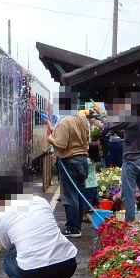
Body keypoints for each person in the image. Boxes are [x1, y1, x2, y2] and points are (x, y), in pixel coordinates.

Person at [0, 189, 78, 278]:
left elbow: (8, 246)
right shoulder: (40, 201)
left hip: (33, 272)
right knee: (57, 249)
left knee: (8, 259)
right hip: (67, 266)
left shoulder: (0, 217)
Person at [93, 94, 140, 227]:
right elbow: (125, 135)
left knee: (129, 194)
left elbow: (109, 124)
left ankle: (129, 224)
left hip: (131, 162)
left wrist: (101, 113)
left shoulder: (131, 117)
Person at [46, 93, 90, 238]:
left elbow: (61, 144)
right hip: (83, 159)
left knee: (69, 196)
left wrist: (50, 139)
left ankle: (73, 228)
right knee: (79, 194)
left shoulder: (65, 121)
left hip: (69, 161)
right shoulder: (82, 117)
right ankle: (77, 225)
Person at [83, 141, 101, 223]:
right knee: (96, 201)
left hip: (87, 185)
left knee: (87, 204)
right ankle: (103, 214)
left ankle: (91, 219)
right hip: (94, 184)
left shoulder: (87, 160)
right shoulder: (94, 160)